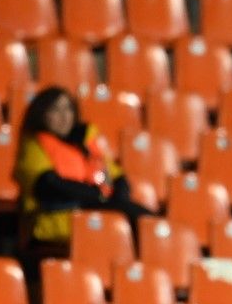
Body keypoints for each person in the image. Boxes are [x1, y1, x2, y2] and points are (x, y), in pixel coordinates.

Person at [14, 86, 151, 277]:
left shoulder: (85, 141)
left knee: (143, 220)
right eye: (55, 110)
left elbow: (117, 176)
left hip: (97, 213)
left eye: (68, 109)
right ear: (41, 115)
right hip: (56, 221)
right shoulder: (34, 145)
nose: (64, 116)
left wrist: (114, 197)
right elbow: (46, 185)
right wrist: (98, 197)